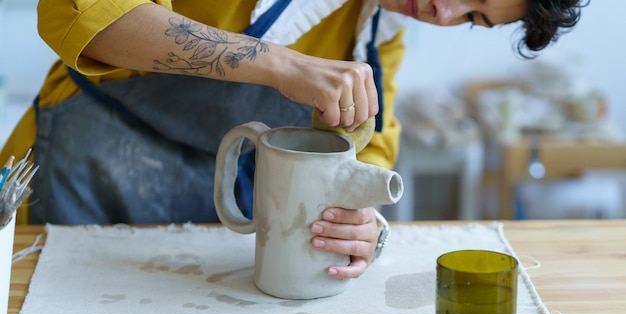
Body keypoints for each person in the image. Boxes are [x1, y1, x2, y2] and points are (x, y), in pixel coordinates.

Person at [1, 0, 585, 278]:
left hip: (188, 258)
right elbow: (83, 12)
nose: (443, 9)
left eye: (472, 18)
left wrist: (364, 227)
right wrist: (280, 65)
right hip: (73, 179)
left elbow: (370, 146)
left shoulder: (375, 37)